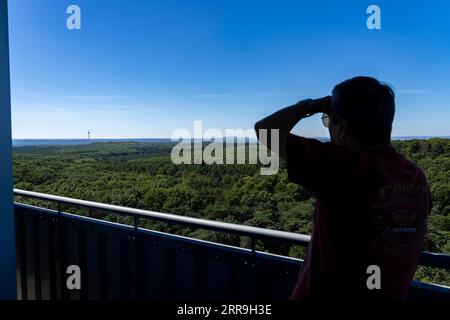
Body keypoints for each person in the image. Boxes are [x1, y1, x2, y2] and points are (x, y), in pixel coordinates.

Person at [254, 76, 431, 299]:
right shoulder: (415, 176)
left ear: (343, 127)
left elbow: (265, 129)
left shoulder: (344, 166)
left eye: (329, 121)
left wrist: (312, 105)